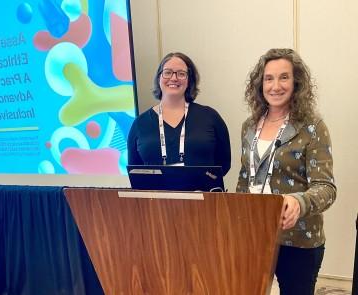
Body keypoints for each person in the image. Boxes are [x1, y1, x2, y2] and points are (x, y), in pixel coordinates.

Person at [236, 48, 336, 295]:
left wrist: (299, 202)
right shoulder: (249, 126)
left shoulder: (313, 127)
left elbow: (327, 188)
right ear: (260, 84)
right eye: (269, 78)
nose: (275, 86)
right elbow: (244, 179)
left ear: (296, 83)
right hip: (254, 234)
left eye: (284, 77)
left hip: (299, 240)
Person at [127, 52, 231, 175]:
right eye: (167, 72)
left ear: (189, 80)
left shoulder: (210, 117)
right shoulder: (140, 123)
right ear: (159, 78)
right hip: (156, 194)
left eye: (181, 74)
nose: (174, 78)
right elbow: (135, 170)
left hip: (202, 193)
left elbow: (224, 163)